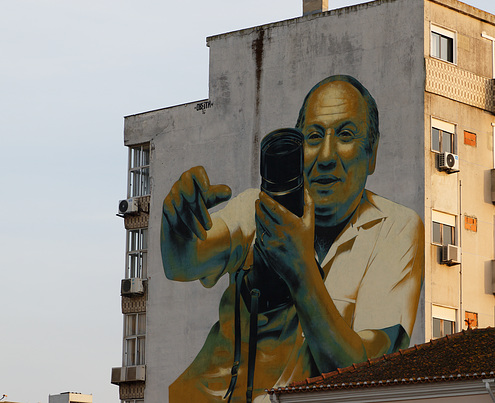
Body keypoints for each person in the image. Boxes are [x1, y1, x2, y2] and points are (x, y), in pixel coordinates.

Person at [161, 75, 424, 402]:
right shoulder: (260, 208)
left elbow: (363, 373)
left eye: (345, 135)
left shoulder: (396, 228)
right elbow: (184, 263)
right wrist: (176, 228)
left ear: (371, 152)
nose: (326, 156)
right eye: (314, 137)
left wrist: (299, 269)